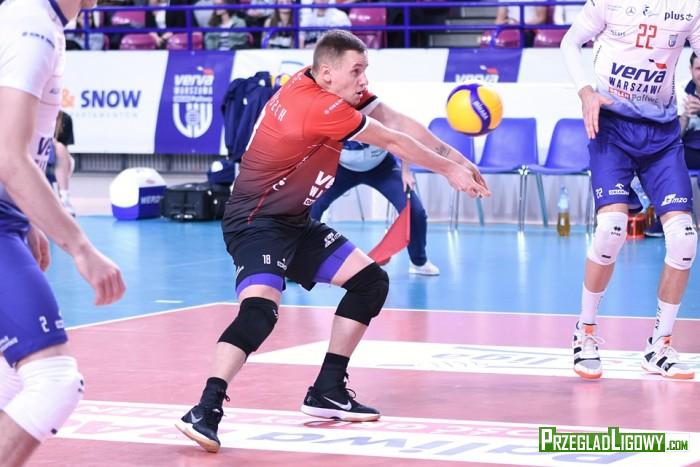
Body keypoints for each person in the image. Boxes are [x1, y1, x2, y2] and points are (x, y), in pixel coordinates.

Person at [175, 29, 489, 453]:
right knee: (260, 312)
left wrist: (459, 158)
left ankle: (327, 389)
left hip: (294, 221)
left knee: (369, 282)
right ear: (326, 73)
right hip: (256, 222)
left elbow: (396, 120)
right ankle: (205, 409)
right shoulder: (318, 106)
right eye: (356, 71)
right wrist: (449, 171)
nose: (364, 80)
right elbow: (392, 139)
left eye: (365, 70)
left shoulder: (328, 89)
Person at [0, 1, 126, 465]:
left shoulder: (39, 20)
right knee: (53, 382)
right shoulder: (32, 25)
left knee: (11, 379)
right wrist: (81, 248)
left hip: (7, 214)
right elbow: (9, 157)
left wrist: (30, 216)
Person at [561, 0, 700, 381]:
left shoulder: (690, 7)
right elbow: (570, 42)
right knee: (611, 229)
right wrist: (585, 91)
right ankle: (584, 332)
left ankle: (660, 346)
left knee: (685, 239)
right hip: (611, 127)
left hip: (662, 136)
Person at [311, 142, 440, 275]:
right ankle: (303, 262)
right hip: (341, 169)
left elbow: (402, 139)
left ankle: (419, 262)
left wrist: (405, 171)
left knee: (414, 210)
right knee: (310, 207)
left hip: (382, 168)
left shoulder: (385, 126)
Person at [50, 110, 77, 216]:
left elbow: (64, 149)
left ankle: (64, 198)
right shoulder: (30, 113)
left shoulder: (64, 118)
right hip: (31, 155)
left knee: (62, 150)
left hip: (50, 156)